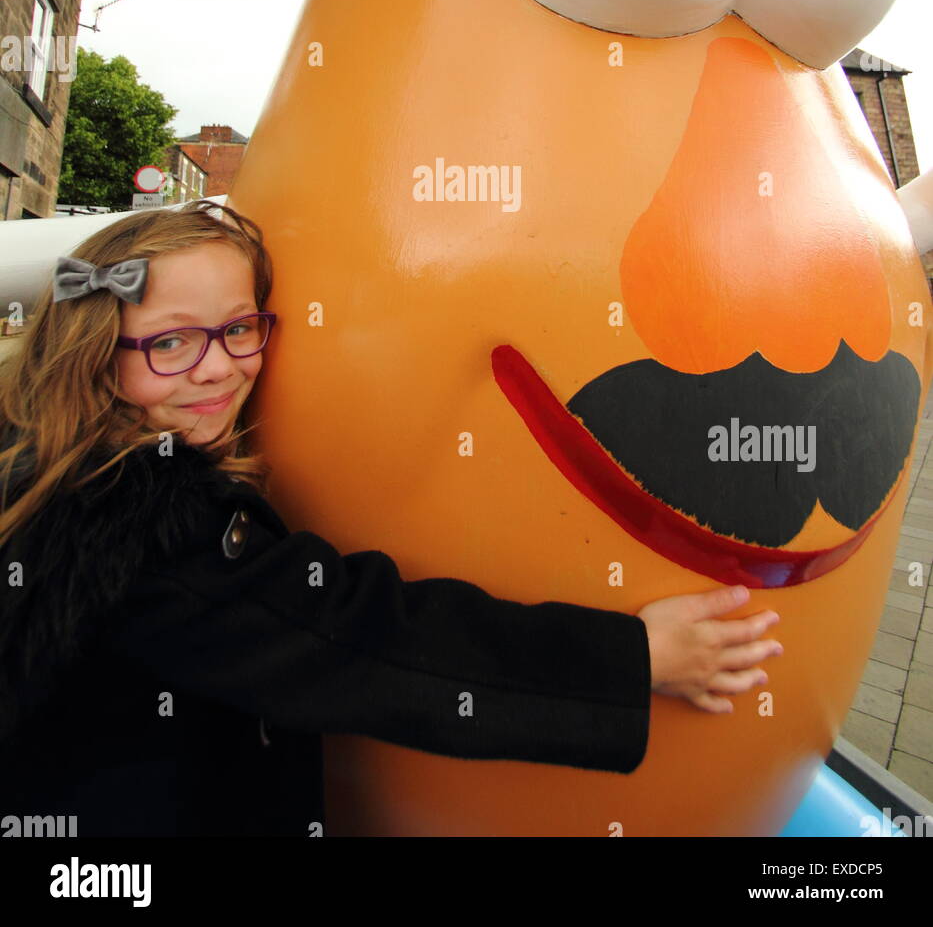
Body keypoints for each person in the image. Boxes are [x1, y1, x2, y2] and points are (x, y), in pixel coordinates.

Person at [0, 200, 782, 836]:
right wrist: (633, 660)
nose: (219, 365)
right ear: (96, 349)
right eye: (170, 342)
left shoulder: (43, 457)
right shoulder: (139, 529)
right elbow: (373, 644)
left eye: (240, 328)